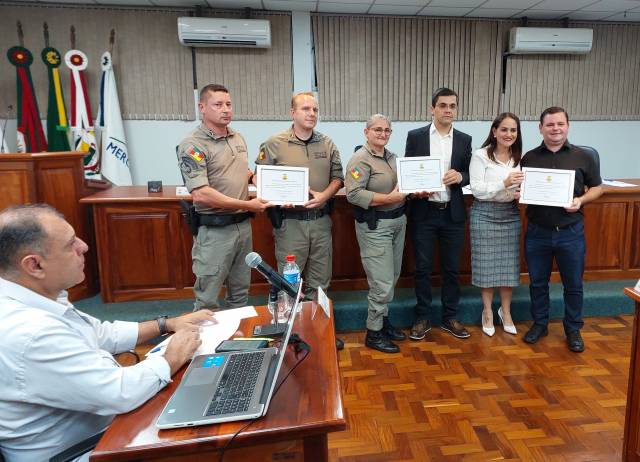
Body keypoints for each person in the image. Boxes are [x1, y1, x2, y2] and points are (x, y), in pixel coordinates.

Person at [0, 204, 211, 462]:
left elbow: (99, 334)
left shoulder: (36, 294)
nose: (84, 246)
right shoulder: (31, 332)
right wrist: (172, 356)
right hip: (84, 450)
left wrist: (165, 324)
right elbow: (118, 393)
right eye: (70, 244)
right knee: (216, 439)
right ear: (34, 265)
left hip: (107, 427)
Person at [177, 83, 271, 310]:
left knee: (240, 293)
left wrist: (259, 181)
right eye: (218, 104)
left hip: (243, 228)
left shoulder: (237, 137)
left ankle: (236, 343)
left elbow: (242, 170)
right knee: (208, 298)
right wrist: (247, 205)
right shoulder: (193, 145)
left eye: (228, 104)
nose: (226, 109)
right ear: (202, 107)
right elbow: (201, 194)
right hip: (215, 231)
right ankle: (208, 345)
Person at [521, 107, 602, 352]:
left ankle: (573, 329)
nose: (555, 128)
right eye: (550, 124)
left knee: (573, 284)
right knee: (537, 282)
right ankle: (540, 323)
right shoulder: (529, 158)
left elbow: (597, 188)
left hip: (570, 232)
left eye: (560, 124)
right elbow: (523, 191)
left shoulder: (583, 156)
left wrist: (581, 201)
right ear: (540, 128)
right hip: (538, 232)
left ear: (568, 126)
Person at [255, 92, 344, 301]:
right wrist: (275, 196)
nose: (312, 114)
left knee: (321, 283)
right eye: (306, 109)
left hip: (321, 221)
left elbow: (338, 178)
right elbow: (258, 177)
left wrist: (325, 196)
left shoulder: (327, 143)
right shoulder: (274, 143)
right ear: (292, 112)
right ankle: (292, 332)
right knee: (289, 284)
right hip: (290, 224)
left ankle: (317, 332)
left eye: (315, 110)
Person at [405, 87, 472, 341]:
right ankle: (422, 317)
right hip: (424, 212)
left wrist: (460, 176)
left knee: (452, 269)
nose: (448, 110)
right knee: (422, 268)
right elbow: (409, 171)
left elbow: (468, 173)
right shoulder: (416, 136)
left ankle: (449, 317)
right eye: (442, 105)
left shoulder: (464, 140)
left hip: (452, 214)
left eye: (452, 106)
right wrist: (415, 190)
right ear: (432, 108)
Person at [345, 114, 408, 353]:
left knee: (391, 277)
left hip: (398, 223)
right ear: (366, 132)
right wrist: (389, 198)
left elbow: (403, 185)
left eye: (387, 130)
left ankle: (383, 321)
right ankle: (373, 332)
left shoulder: (392, 157)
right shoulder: (359, 159)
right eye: (377, 130)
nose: (382, 134)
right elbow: (354, 195)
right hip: (376, 226)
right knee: (381, 283)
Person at [469, 112, 524, 337]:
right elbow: (478, 190)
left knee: (508, 267)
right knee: (487, 266)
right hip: (484, 214)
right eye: (504, 129)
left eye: (513, 130)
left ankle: (506, 312)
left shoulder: (521, 157)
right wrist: (504, 182)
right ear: (494, 131)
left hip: (510, 214)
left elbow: (524, 188)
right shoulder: (480, 155)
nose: (508, 134)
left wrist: (523, 193)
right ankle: (488, 312)